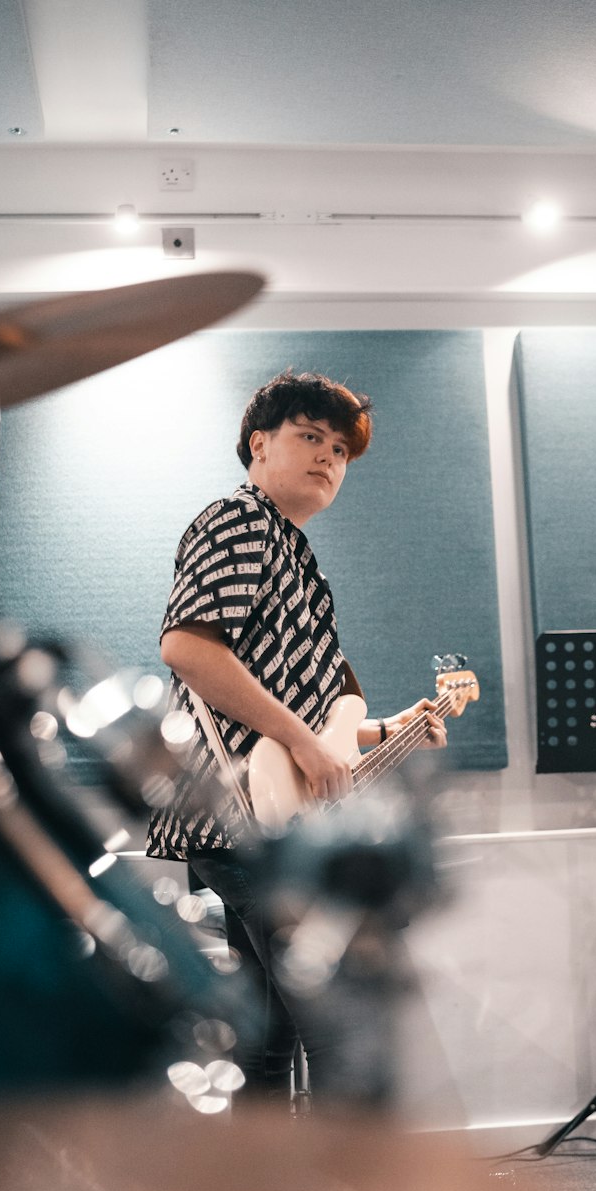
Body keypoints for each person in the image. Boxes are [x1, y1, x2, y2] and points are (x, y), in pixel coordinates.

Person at [146, 370, 446, 1102]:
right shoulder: (238, 521)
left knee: (273, 1026)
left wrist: (384, 729)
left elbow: (304, 722)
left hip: (259, 814)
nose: (327, 457)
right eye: (310, 437)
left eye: (340, 450)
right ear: (259, 445)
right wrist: (307, 743)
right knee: (322, 1022)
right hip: (237, 817)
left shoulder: (294, 553)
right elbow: (188, 648)